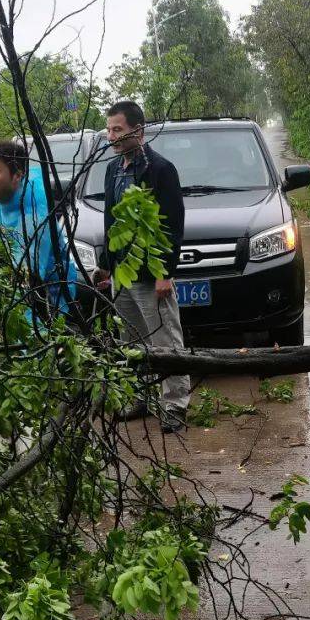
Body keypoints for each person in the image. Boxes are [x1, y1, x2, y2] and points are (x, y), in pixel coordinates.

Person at [95, 100, 189, 433]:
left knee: (165, 340)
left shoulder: (160, 169)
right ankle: (141, 398)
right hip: (123, 273)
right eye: (109, 129)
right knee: (131, 341)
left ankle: (175, 404)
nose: (112, 136)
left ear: (139, 130)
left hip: (151, 274)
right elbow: (111, 221)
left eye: (117, 129)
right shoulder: (112, 169)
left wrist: (166, 272)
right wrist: (106, 265)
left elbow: (172, 225)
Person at [0, 140, 76, 321]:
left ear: (17, 176)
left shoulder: (34, 210)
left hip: (48, 294)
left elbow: (28, 273)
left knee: (37, 339)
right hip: (16, 280)